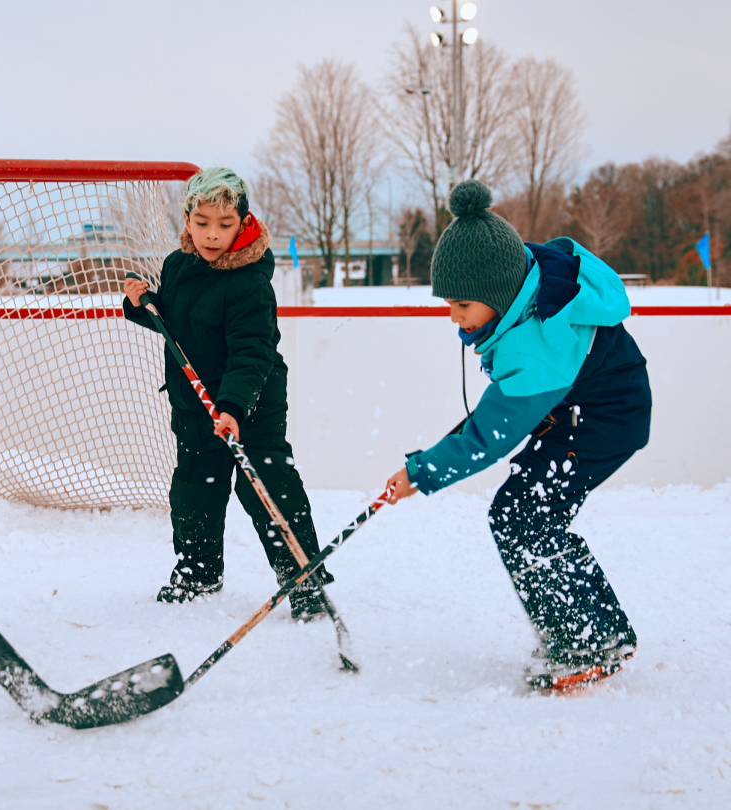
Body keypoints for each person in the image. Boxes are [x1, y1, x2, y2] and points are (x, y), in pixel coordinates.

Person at [386, 179, 650, 691]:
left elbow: (491, 435)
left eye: (463, 305)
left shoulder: (533, 348)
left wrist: (422, 471)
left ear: (500, 295)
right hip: (582, 410)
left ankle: (587, 641)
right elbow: (494, 416)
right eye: (449, 304)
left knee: (526, 514)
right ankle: (597, 628)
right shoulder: (525, 298)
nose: (454, 318)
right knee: (524, 513)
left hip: (605, 418)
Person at [123, 167, 333, 620]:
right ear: (186, 219)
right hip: (195, 404)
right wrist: (144, 305)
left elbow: (253, 352)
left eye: (224, 224)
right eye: (202, 223)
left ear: (242, 221)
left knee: (266, 487)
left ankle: (304, 579)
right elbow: (177, 322)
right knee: (196, 487)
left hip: (251, 401)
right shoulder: (178, 265)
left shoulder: (249, 281)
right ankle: (198, 572)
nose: (212, 235)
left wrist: (235, 407)